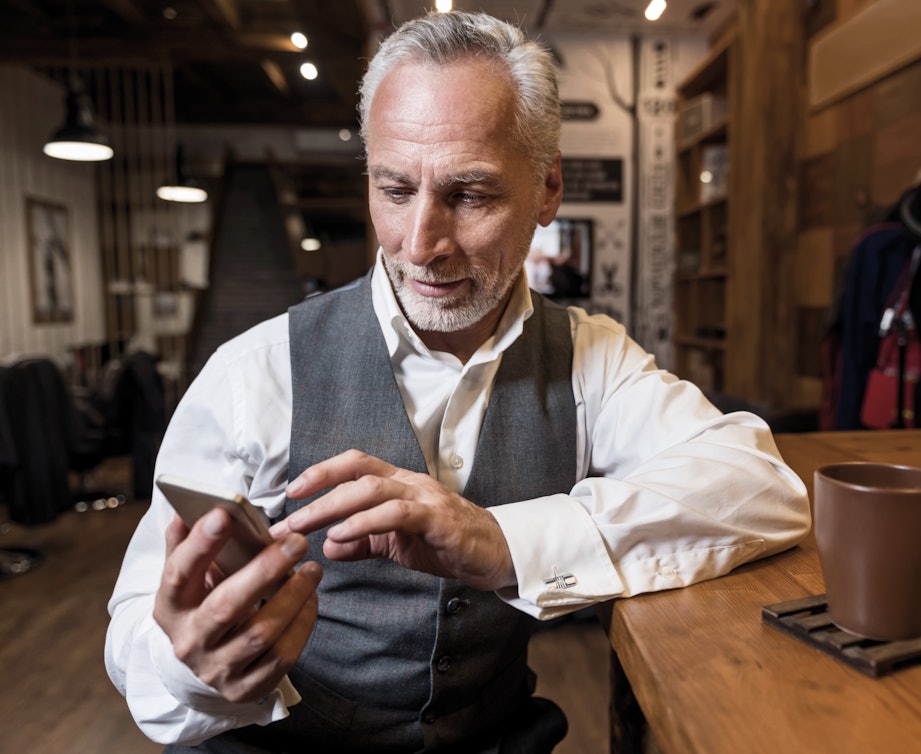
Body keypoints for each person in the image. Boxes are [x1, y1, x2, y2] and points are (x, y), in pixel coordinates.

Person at [105, 11, 810, 753]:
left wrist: (503, 542)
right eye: (395, 189)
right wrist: (192, 669)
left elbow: (762, 487)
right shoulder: (256, 372)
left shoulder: (590, 360)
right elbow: (133, 634)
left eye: (470, 195)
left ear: (548, 189)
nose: (421, 244)